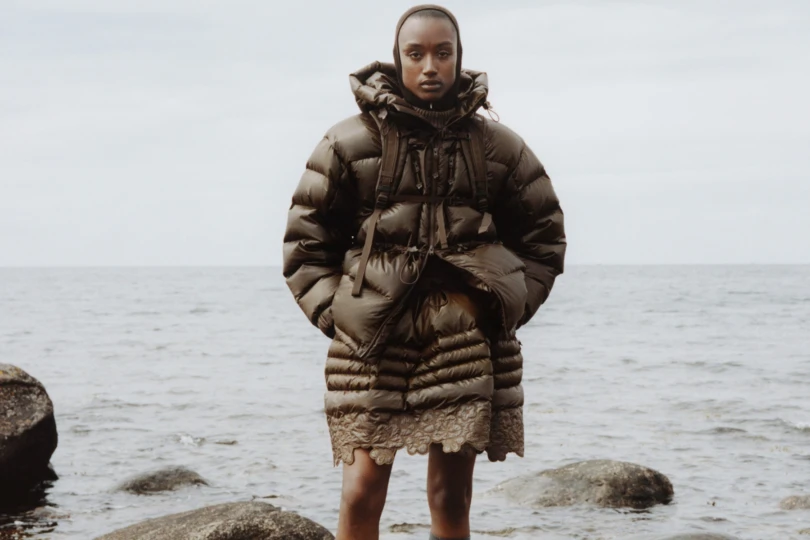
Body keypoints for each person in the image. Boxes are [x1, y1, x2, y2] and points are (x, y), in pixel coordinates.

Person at [283, 4, 566, 539]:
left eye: (443, 53)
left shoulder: (499, 146)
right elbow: (306, 242)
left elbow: (543, 236)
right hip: (372, 341)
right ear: (397, 59)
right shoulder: (347, 142)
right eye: (416, 54)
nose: (430, 66)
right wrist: (339, 317)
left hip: (464, 338)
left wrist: (502, 306)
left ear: (459, 58)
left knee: (451, 497)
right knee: (361, 491)